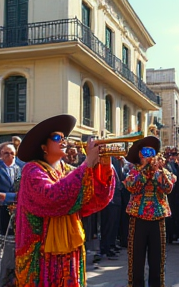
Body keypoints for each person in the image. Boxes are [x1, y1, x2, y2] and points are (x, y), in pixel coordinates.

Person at [14, 114, 115, 286]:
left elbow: (95, 199)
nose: (64, 141)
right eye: (57, 137)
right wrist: (87, 164)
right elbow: (52, 198)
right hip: (41, 253)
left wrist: (103, 165)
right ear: (44, 147)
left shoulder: (67, 169)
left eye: (64, 137)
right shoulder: (32, 171)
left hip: (69, 250)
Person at [123, 136, 176, 287]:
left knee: (157, 261)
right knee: (136, 260)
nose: (148, 155)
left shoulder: (162, 171)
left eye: (151, 151)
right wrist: (146, 170)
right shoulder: (133, 171)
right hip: (137, 218)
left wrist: (158, 171)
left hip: (158, 219)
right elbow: (132, 186)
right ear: (140, 154)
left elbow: (168, 188)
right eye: (145, 151)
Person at [0, 142, 22, 235]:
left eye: (12, 153)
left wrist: (8, 196)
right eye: (6, 153)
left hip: (19, 209)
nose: (10, 155)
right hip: (2, 209)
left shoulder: (22, 168)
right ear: (1, 154)